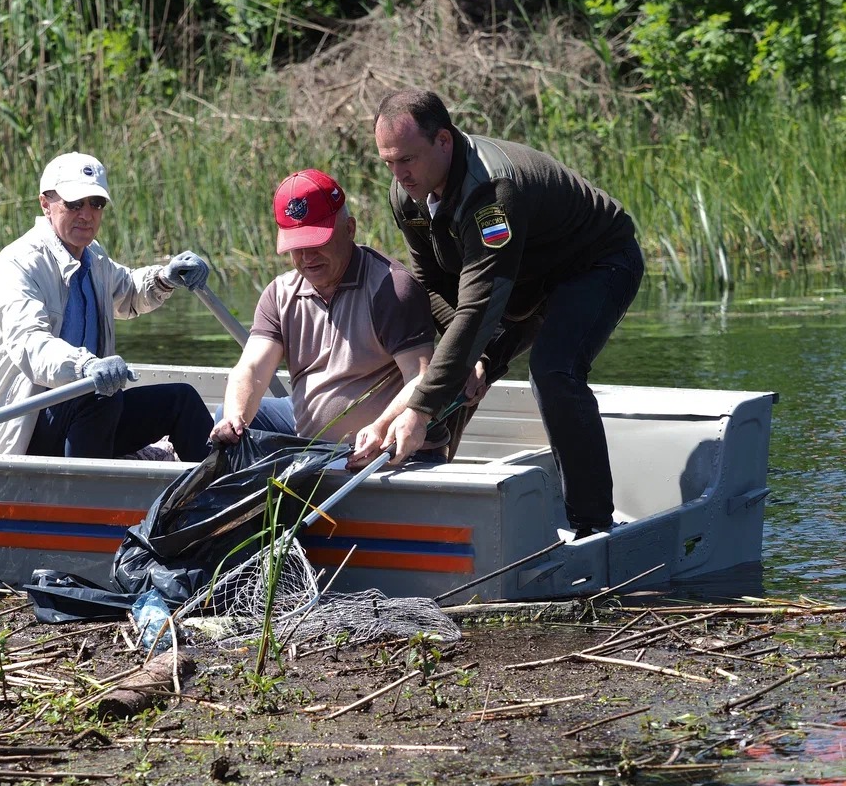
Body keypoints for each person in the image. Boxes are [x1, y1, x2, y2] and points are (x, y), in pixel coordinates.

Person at [356, 89, 644, 537]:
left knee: (554, 370)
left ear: (445, 142)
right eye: (388, 162)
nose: (399, 175)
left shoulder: (493, 194)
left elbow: (481, 304)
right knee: (450, 368)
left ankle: (591, 525)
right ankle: (431, 505)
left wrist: (421, 407)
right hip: (525, 278)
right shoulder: (406, 194)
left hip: (597, 262)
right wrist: (475, 363)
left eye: (407, 160)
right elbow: (431, 285)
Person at [0, 151, 213, 461]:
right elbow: (30, 345)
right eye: (74, 204)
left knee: (180, 400)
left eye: (96, 204)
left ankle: (218, 499)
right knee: (99, 395)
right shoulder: (20, 264)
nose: (87, 215)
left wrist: (164, 278)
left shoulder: (93, 256)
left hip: (84, 418)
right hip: (17, 432)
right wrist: (85, 366)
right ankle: (85, 497)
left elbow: (127, 292)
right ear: (45, 204)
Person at [209, 168, 444, 460]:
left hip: (387, 448)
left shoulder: (391, 288)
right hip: (309, 440)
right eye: (297, 246)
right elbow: (252, 369)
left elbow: (421, 378)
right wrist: (235, 417)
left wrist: (381, 426)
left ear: (349, 229)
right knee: (228, 416)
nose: (307, 257)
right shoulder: (280, 293)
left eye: (317, 242)